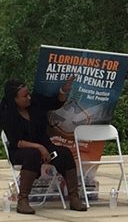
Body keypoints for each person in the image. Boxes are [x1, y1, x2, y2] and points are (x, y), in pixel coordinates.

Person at [1, 77, 87, 213]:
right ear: (14, 99)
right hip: (20, 151)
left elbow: (56, 103)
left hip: (46, 148)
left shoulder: (35, 102)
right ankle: (22, 200)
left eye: (28, 94)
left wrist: (64, 90)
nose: (29, 97)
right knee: (33, 154)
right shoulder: (6, 112)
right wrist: (39, 147)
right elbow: (16, 141)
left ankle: (74, 197)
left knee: (64, 153)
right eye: (24, 96)